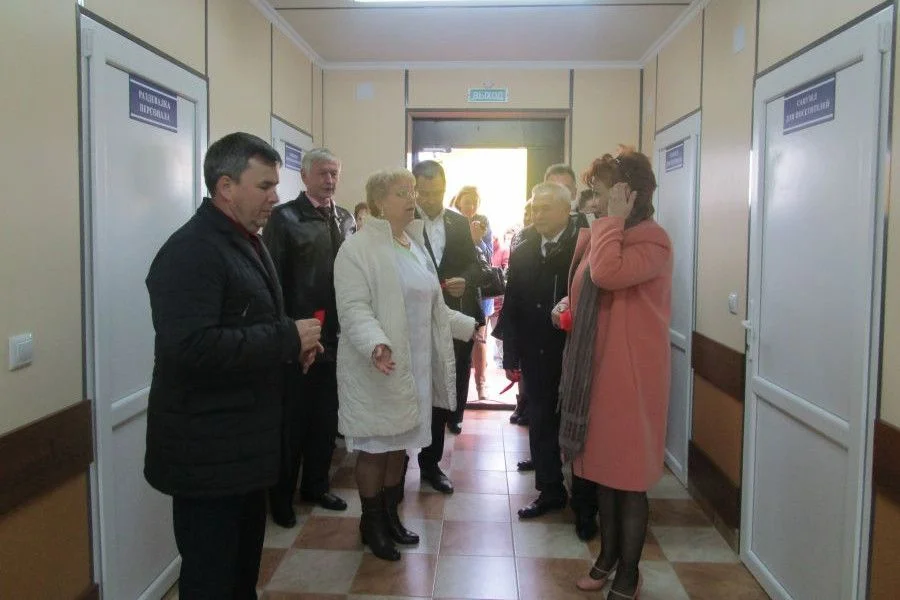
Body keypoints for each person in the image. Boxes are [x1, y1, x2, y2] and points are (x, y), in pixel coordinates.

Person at [144, 132, 323, 599]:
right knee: (212, 581)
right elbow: (192, 347)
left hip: (240, 451)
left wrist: (291, 348)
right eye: (264, 186)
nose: (275, 197)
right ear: (226, 186)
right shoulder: (192, 251)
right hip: (208, 455)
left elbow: (246, 322)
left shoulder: (245, 241)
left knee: (241, 577)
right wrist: (286, 338)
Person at [334, 169, 477, 561]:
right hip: (378, 365)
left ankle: (390, 515)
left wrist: (467, 326)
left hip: (414, 365)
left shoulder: (412, 243)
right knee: (376, 447)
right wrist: (375, 343)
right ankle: (371, 522)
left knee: (399, 445)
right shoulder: (357, 248)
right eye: (402, 192)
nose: (412, 198)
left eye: (412, 191)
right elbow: (353, 307)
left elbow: (433, 306)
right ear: (379, 202)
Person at [555, 150, 672, 598]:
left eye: (601, 193)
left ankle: (629, 572)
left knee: (630, 481)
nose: (594, 202)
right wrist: (567, 308)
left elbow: (606, 274)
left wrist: (611, 222)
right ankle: (606, 558)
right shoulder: (608, 234)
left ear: (629, 194)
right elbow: (585, 287)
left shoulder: (652, 241)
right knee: (604, 474)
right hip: (600, 373)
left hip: (633, 380)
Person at [263, 148, 354, 526]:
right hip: (299, 339)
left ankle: (316, 485)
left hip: (337, 337)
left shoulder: (346, 218)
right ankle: (281, 498)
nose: (329, 180)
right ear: (304, 176)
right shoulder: (284, 218)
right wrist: (289, 335)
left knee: (325, 419)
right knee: (293, 424)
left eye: (334, 173)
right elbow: (273, 283)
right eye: (322, 173)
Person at [499, 182, 580, 525]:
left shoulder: (582, 245)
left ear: (565, 210)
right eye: (535, 207)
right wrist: (511, 354)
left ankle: (585, 499)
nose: (538, 214)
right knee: (541, 421)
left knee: (577, 422)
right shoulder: (524, 249)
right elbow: (513, 304)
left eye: (546, 208)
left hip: (573, 351)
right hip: (535, 349)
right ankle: (549, 490)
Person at [412, 160, 489, 492]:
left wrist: (465, 281)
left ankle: (431, 464)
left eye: (438, 193)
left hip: (451, 316)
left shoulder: (458, 222)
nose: (431, 200)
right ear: (414, 190)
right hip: (414, 318)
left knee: (444, 388)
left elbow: (474, 264)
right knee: (411, 388)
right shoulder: (404, 220)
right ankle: (396, 468)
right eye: (425, 193)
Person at [451, 186, 494, 401]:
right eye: (467, 201)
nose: (471, 206)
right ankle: (458, 388)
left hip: (478, 290)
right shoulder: (451, 222)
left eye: (475, 202)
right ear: (458, 202)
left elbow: (488, 258)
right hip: (455, 289)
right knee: (457, 339)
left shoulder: (483, 222)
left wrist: (478, 240)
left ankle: (481, 384)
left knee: (479, 338)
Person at [545, 163, 590, 228]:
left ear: (574, 193)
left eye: (565, 189)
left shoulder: (590, 225)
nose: (559, 195)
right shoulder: (532, 230)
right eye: (554, 189)